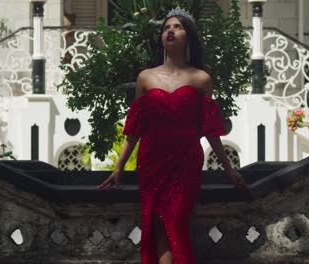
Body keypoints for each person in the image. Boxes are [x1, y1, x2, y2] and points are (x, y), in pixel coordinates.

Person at [98, 7, 246, 264]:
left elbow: (211, 132)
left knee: (176, 222)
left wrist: (229, 169)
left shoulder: (201, 79)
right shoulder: (146, 77)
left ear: (188, 37)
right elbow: (134, 129)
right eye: (166, 27)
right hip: (152, 159)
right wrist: (119, 167)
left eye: (177, 27)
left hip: (185, 161)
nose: (170, 31)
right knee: (157, 224)